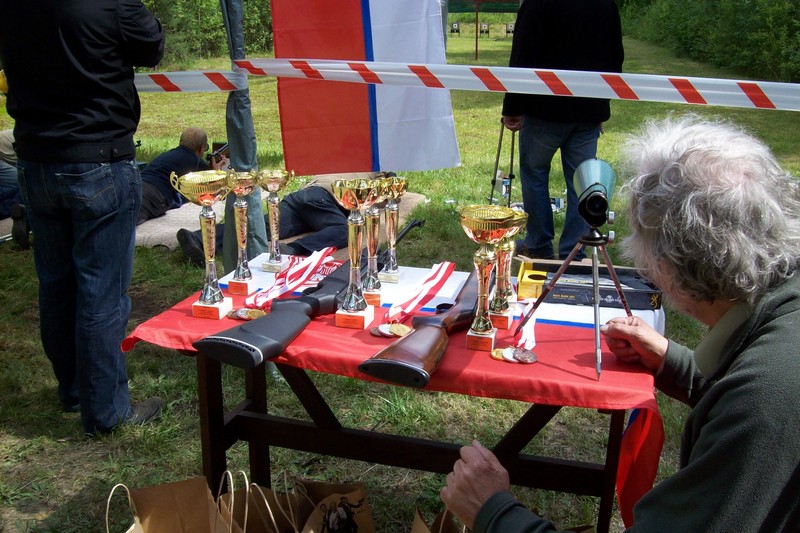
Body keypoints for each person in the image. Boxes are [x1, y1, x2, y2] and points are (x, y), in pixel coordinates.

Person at [440, 115, 800, 531]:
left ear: (668, 265)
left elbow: (755, 408)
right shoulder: (776, 331)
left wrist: (492, 511)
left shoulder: (765, 403)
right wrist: (674, 364)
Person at [0, 0, 165, 435]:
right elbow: (152, 45)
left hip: (36, 160)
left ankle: (74, 390)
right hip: (98, 158)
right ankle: (106, 412)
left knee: (57, 283)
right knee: (101, 293)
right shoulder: (111, 3)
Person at [501, 0, 624, 260]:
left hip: (544, 110)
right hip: (588, 111)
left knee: (535, 175)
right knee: (582, 183)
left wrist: (513, 106)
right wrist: (602, 103)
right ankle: (574, 252)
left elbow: (523, 55)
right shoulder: (606, 5)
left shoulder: (538, 4)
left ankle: (538, 244)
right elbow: (615, 57)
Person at [177, 172, 384, 267]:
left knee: (263, 228)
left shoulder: (340, 165)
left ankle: (198, 238)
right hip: (323, 199)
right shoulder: (375, 173)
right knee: (344, 230)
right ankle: (294, 249)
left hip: (301, 197)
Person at [137, 127, 229, 225]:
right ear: (202, 148)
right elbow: (213, 187)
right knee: (130, 219)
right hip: (155, 194)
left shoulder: (168, 155)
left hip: (139, 184)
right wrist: (216, 172)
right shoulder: (195, 160)